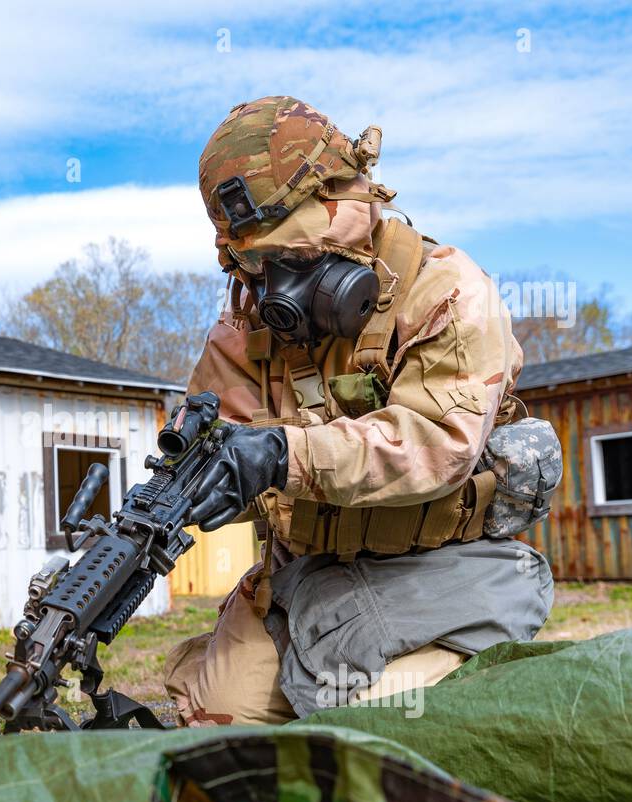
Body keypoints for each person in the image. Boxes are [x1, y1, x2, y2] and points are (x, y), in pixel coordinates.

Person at [165, 96, 554, 726]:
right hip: (307, 571)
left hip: (443, 566)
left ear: (343, 204)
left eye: (288, 261)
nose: (270, 288)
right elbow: (222, 433)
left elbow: (437, 443)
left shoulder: (447, 289)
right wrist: (197, 474)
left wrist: (282, 456)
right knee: (218, 724)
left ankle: (483, 677)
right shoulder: (248, 319)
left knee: (370, 729)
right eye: (254, 265)